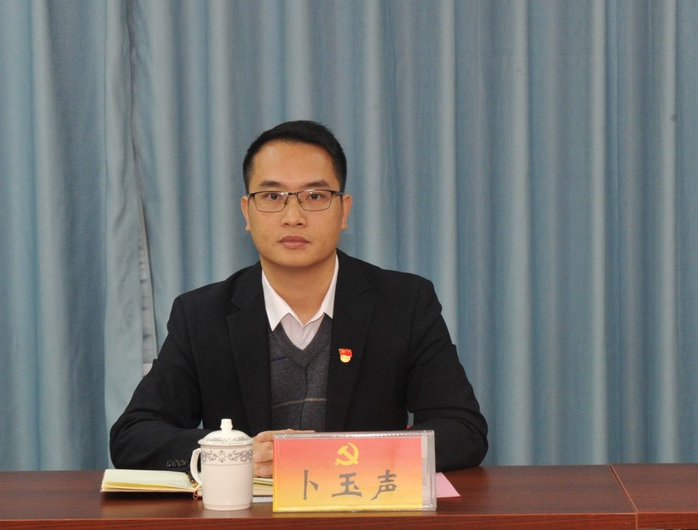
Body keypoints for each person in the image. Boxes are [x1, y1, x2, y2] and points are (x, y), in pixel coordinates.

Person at [110, 120, 488, 475]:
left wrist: (344, 457)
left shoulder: (404, 303)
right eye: (272, 196)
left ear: (344, 210)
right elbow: (133, 437)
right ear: (247, 212)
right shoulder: (202, 315)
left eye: (315, 195)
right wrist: (234, 454)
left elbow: (463, 430)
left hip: (363, 508)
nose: (293, 216)